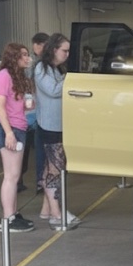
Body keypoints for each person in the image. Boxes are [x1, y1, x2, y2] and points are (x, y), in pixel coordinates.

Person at [34, 33, 80, 228]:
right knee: (55, 170)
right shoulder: (41, 68)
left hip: (59, 125)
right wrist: (71, 80)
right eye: (64, 51)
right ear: (53, 50)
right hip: (49, 126)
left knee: (51, 168)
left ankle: (46, 210)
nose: (67, 55)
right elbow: (53, 90)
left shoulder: (56, 69)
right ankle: (56, 214)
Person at [0, 43, 35, 233]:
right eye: (23, 54)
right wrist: (8, 133)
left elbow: (18, 105)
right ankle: (8, 218)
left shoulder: (18, 78)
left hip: (19, 127)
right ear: (13, 57)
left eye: (27, 54)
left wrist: (28, 104)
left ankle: (13, 214)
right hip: (9, 129)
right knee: (11, 176)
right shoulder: (3, 76)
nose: (27, 58)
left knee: (15, 176)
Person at [19, 32, 49, 194]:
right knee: (37, 149)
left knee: (29, 149)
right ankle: (38, 181)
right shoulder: (38, 64)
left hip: (31, 111)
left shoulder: (36, 64)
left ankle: (31, 180)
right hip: (32, 112)